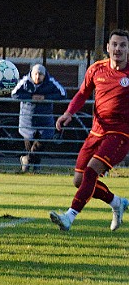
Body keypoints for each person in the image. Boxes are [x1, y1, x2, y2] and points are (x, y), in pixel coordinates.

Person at [49, 29, 129, 232]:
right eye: (115, 44)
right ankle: (117, 203)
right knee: (79, 180)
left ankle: (69, 217)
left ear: (128, 49)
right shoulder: (96, 69)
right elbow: (83, 93)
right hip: (96, 132)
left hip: (120, 134)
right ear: (108, 47)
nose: (118, 49)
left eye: (123, 45)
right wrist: (69, 113)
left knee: (92, 171)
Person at [11, 63, 66, 173]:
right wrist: (31, 97)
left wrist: (45, 98)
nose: (37, 77)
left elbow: (63, 94)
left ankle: (26, 160)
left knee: (42, 142)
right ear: (32, 74)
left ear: (44, 75)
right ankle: (35, 167)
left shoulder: (50, 82)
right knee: (29, 144)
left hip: (44, 120)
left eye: (40, 74)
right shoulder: (25, 81)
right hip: (27, 120)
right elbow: (14, 94)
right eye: (36, 74)